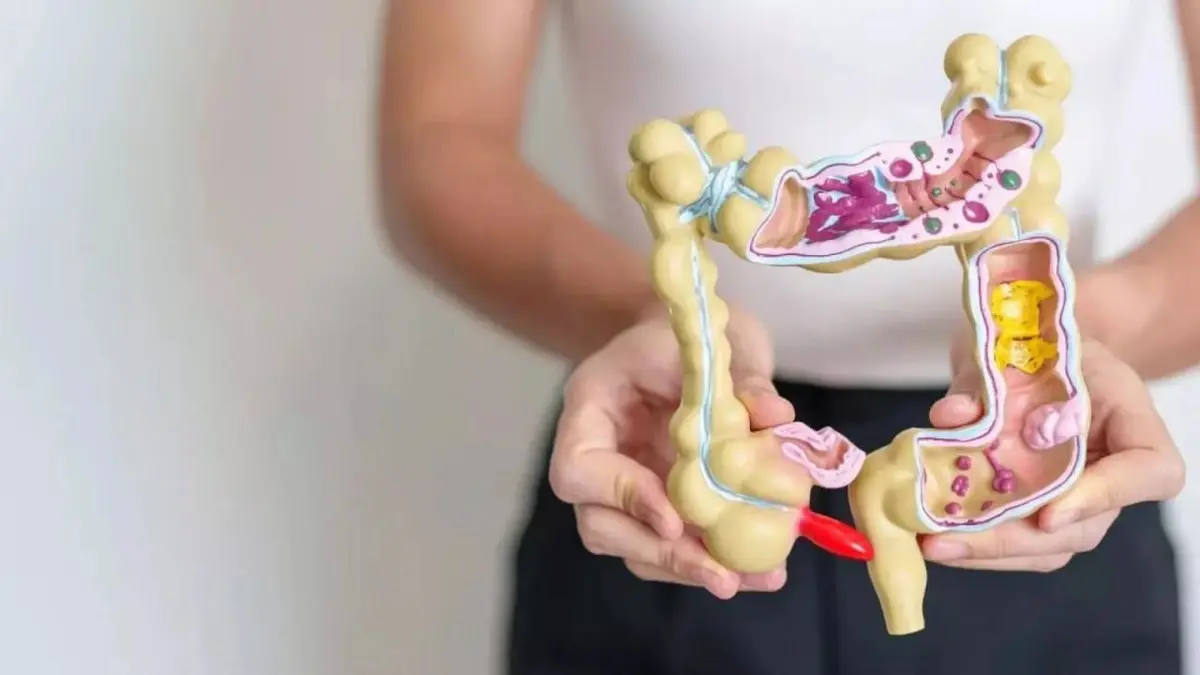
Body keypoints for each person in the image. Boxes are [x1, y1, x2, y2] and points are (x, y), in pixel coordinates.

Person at [379, 1, 1196, 673]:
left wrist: (1087, 334)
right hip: (665, 435)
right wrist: (660, 318)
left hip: (1050, 490)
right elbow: (440, 140)